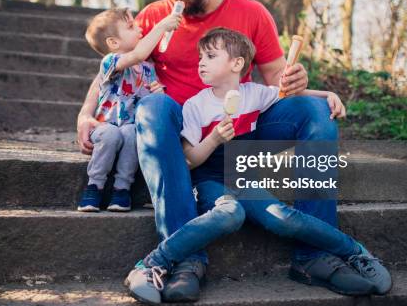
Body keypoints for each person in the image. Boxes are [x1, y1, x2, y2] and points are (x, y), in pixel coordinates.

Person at [77, 0, 390, 301]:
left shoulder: (252, 13)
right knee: (152, 106)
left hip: (245, 146)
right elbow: (116, 67)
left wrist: (303, 80)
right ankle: (183, 258)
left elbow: (279, 83)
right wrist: (85, 114)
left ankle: (316, 255)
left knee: (315, 111)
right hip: (189, 148)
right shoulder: (156, 16)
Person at [124, 28, 390, 304]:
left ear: (237, 64)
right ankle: (153, 262)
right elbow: (190, 160)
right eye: (200, 56)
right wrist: (214, 138)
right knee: (231, 214)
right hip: (209, 181)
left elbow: (286, 94)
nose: (201, 62)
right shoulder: (195, 106)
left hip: (243, 180)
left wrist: (326, 95)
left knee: (284, 218)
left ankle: (356, 253)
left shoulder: (254, 95)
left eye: (210, 56)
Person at [77, 8, 180, 212]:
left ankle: (121, 189)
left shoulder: (148, 68)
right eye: (131, 26)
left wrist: (158, 92)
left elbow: (154, 100)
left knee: (132, 133)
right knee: (111, 134)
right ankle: (94, 186)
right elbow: (138, 53)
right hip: (105, 125)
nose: (139, 28)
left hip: (130, 126)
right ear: (114, 43)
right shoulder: (111, 61)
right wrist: (162, 26)